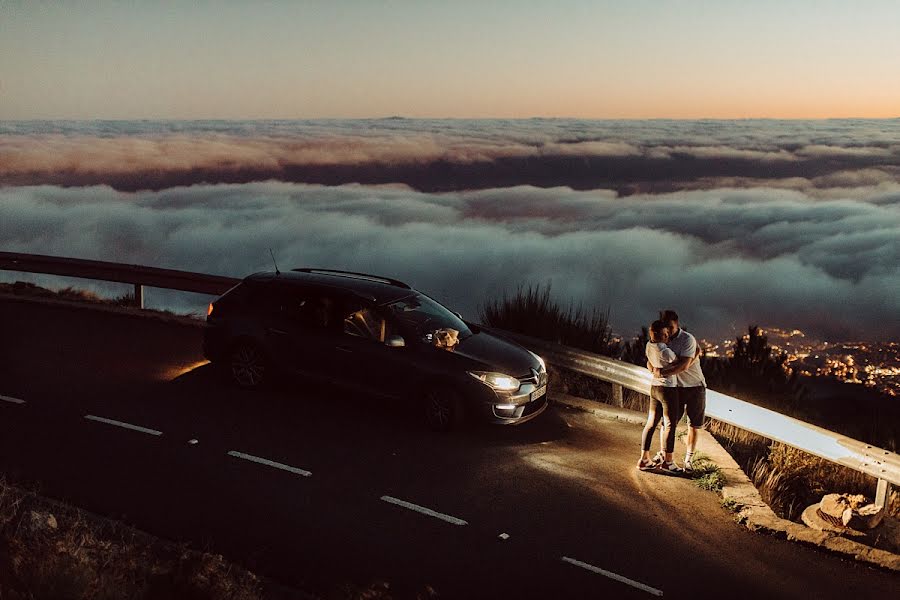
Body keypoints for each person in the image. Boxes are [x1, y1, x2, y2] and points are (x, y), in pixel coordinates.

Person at [652, 309, 707, 472]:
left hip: (695, 386)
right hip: (675, 388)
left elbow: (683, 366)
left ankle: (689, 459)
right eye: (665, 327)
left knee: (694, 425)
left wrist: (661, 372)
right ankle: (663, 454)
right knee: (668, 422)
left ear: (677, 324)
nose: (668, 330)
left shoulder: (687, 339)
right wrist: (652, 368)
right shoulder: (661, 339)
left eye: (671, 327)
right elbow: (651, 358)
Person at [638, 320, 683, 473]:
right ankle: (668, 462)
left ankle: (644, 459)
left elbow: (649, 363)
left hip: (654, 387)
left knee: (651, 423)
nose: (667, 336)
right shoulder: (665, 351)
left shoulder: (648, 346)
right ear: (658, 334)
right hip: (668, 389)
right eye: (664, 334)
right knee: (670, 424)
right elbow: (679, 363)